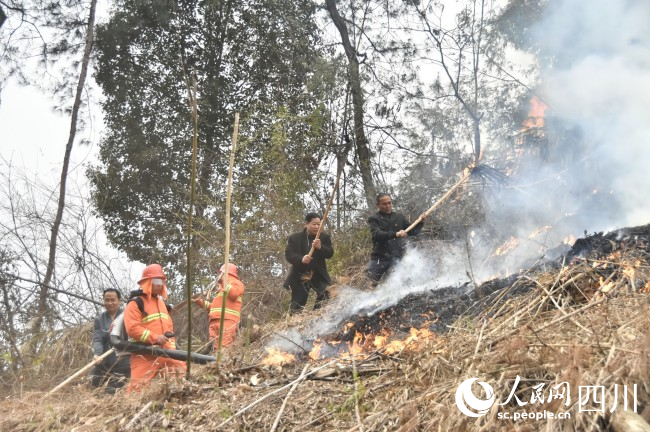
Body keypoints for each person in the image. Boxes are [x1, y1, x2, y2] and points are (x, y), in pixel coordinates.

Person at [124, 263, 185, 392]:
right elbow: (133, 329)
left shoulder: (162, 304)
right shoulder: (136, 303)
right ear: (147, 282)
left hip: (167, 351)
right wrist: (155, 338)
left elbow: (169, 328)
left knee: (181, 382)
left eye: (162, 281)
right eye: (156, 281)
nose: (160, 284)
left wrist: (171, 345)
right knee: (137, 390)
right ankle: (132, 411)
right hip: (144, 353)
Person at [366, 193, 428, 284]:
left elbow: (412, 232)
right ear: (378, 205)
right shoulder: (374, 219)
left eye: (389, 203)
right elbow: (377, 234)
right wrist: (395, 234)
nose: (388, 206)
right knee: (370, 282)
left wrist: (420, 221)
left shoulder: (399, 217)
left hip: (395, 258)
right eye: (384, 204)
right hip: (379, 258)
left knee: (394, 284)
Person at [284, 212, 334, 314]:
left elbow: (329, 253)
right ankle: (294, 323)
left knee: (326, 293)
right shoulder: (295, 238)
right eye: (314, 224)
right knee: (297, 304)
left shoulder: (324, 237)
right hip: (300, 275)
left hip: (318, 274)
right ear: (306, 224)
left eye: (318, 224)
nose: (317, 227)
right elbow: (289, 255)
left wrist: (321, 247)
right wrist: (301, 259)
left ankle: (316, 316)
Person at [192, 263, 245, 350]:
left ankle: (222, 363)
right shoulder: (220, 289)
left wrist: (224, 283)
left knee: (224, 347)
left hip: (227, 320)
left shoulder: (237, 283)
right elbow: (213, 307)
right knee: (213, 347)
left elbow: (234, 294)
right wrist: (200, 302)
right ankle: (214, 362)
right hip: (214, 320)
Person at [90, 288, 131, 393]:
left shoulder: (127, 316)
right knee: (93, 381)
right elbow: (98, 339)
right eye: (107, 300)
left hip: (124, 361)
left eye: (113, 300)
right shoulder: (99, 320)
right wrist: (97, 354)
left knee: (111, 390)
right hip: (105, 361)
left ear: (119, 301)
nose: (110, 303)